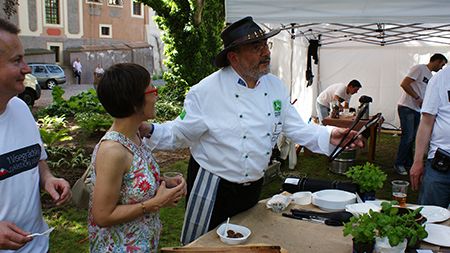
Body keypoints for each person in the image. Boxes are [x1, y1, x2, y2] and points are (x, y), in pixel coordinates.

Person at [140, 16, 364, 244]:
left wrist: (329, 135)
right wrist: (148, 130)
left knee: (244, 240)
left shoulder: (275, 86)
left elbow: (297, 128)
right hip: (213, 185)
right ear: (233, 57)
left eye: (266, 45)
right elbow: (181, 133)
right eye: (256, 48)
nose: (266, 53)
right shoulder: (205, 91)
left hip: (253, 185)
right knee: (200, 244)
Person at [88, 63, 186, 252]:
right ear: (134, 103)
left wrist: (164, 182)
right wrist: (155, 203)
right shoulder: (113, 151)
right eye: (152, 90)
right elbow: (102, 215)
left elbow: (130, 182)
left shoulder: (135, 135)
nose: (156, 95)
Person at [0, 18, 71, 252]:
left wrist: (48, 179)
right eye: (17, 60)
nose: (27, 68)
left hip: (38, 246)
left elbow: (35, 158)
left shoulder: (20, 108)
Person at [394, 53, 447, 175]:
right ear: (437, 61)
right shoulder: (419, 68)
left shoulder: (430, 75)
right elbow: (404, 84)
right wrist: (417, 98)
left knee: (412, 137)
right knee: (407, 137)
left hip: (417, 109)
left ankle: (408, 162)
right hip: (407, 107)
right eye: (442, 64)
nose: (441, 68)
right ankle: (399, 163)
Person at [410, 64, 450, 208]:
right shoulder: (440, 79)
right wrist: (417, 161)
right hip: (442, 162)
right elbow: (426, 123)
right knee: (432, 217)